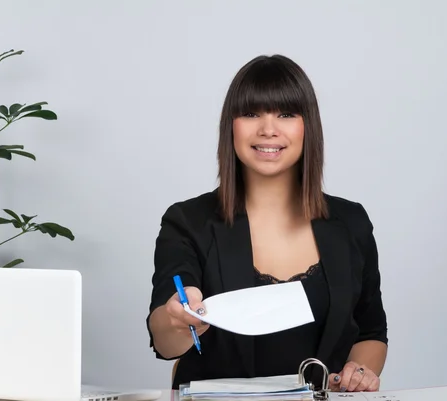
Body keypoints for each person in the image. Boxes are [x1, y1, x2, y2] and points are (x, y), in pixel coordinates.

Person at [145, 54, 388, 393]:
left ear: (309, 126)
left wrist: (358, 372)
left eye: (286, 114)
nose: (268, 129)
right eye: (251, 113)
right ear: (231, 124)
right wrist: (177, 318)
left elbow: (370, 333)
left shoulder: (351, 222)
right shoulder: (187, 221)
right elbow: (165, 341)